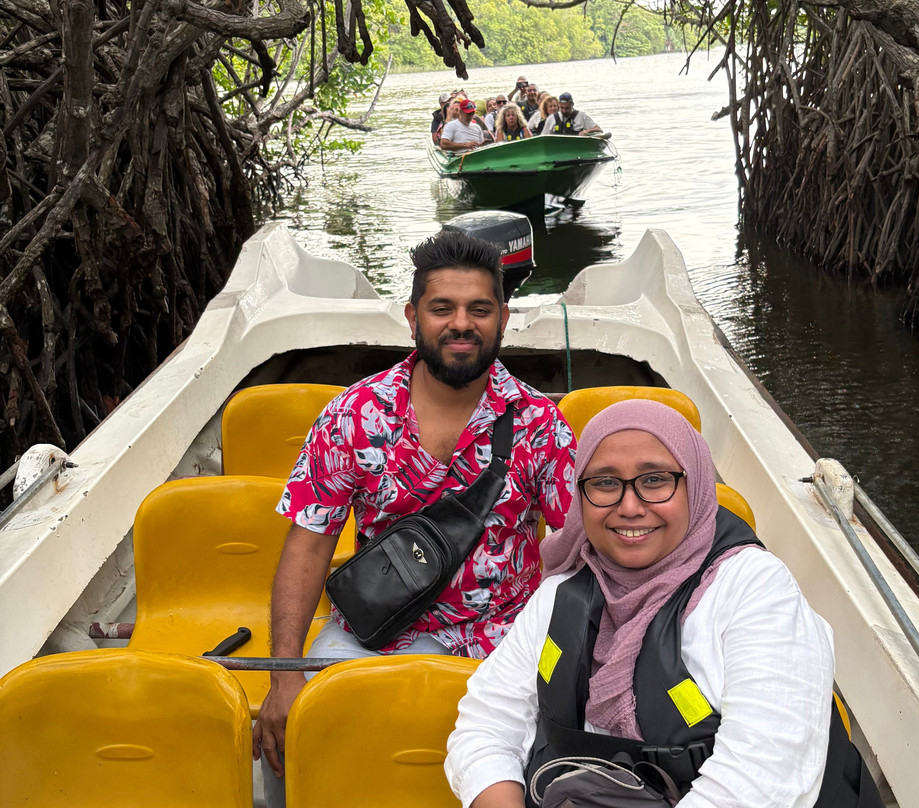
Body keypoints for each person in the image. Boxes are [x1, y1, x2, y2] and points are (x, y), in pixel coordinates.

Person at [253, 231, 577, 806]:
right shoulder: (353, 416)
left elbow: (581, 539)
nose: (461, 323)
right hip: (373, 630)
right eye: (442, 308)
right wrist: (284, 676)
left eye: (479, 309)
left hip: (502, 642)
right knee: (289, 744)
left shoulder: (540, 424)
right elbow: (308, 545)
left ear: (503, 318)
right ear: (412, 317)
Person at [446, 400, 884, 808]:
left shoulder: (755, 591)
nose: (630, 506)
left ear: (694, 485)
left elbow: (761, 774)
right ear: (580, 496)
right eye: (605, 483)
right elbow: (487, 723)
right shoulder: (561, 593)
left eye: (655, 479)